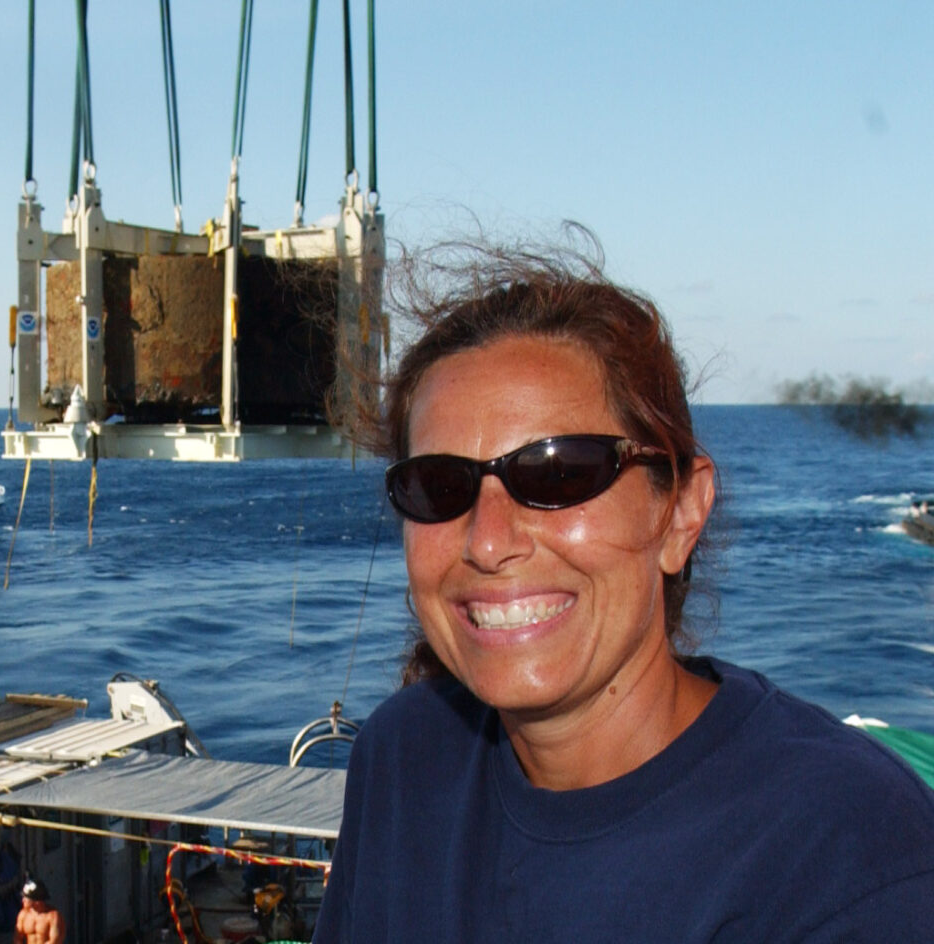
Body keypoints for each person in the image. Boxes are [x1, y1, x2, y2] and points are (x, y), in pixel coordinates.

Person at [313, 233, 934, 942]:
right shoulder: (404, 757)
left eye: (557, 473)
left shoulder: (845, 856)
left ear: (678, 512)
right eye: (439, 485)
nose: (487, 540)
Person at [14, 878, 65, 944]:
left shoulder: (53, 916)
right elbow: (17, 938)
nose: (23, 900)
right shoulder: (23, 915)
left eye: (26, 898)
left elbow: (55, 941)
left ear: (36, 901)